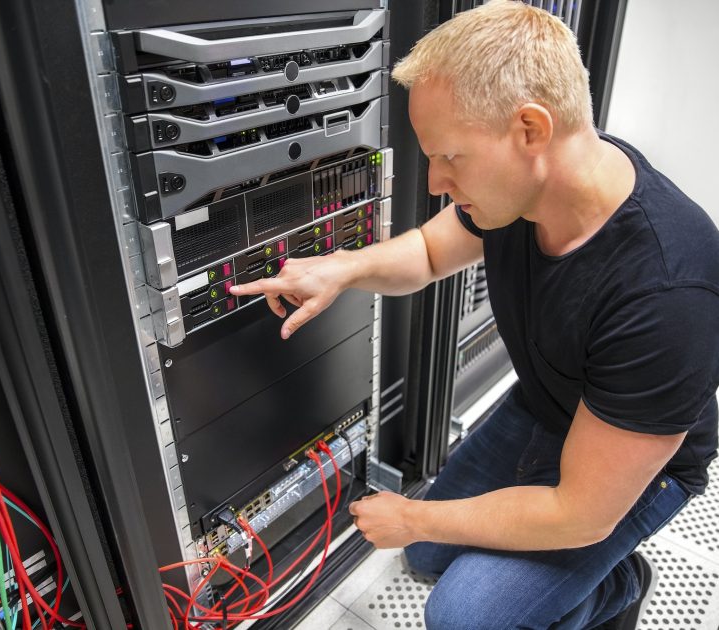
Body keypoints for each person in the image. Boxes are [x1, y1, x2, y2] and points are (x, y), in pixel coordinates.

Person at [230, 1, 719, 628]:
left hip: (633, 472)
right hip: (548, 406)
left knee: (463, 614)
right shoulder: (531, 191)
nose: (434, 181)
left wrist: (412, 516)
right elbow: (432, 251)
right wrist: (343, 268)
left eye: (450, 157)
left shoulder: (669, 291)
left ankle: (616, 585)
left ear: (531, 130)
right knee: (431, 554)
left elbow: (580, 512)